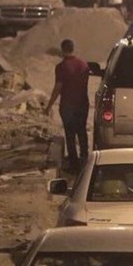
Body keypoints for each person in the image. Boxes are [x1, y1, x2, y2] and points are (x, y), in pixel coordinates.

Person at [45, 38, 89, 170]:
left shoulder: (61, 67)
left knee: (70, 134)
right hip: (83, 104)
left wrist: (49, 105)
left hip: (67, 105)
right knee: (82, 131)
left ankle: (74, 163)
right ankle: (85, 159)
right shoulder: (84, 65)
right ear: (73, 48)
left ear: (62, 50)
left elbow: (58, 88)